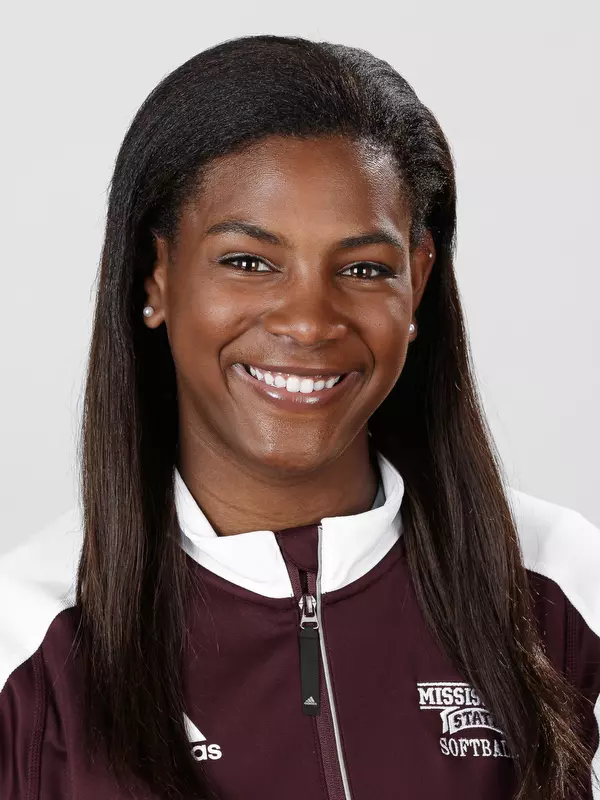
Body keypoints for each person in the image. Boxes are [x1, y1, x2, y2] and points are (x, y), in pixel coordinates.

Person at [0, 33, 598, 800]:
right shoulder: (27, 640)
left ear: (416, 283)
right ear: (156, 275)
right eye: (249, 262)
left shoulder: (566, 588)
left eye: (362, 268)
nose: (309, 322)